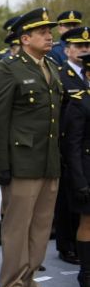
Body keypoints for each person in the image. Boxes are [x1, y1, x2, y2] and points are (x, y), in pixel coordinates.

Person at [0, 7, 63, 287]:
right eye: (43, 32)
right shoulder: (9, 68)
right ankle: (12, 285)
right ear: (25, 38)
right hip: (21, 162)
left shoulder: (50, 66)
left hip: (48, 161)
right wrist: (2, 165)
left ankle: (30, 281)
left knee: (42, 226)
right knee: (17, 227)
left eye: (50, 31)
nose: (49, 36)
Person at [54, 26, 90, 265]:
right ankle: (66, 244)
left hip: (83, 145)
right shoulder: (59, 73)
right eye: (79, 46)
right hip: (67, 144)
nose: (83, 49)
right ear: (67, 50)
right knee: (67, 201)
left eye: (87, 46)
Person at [63, 53, 90, 287]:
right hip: (87, 172)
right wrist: (80, 181)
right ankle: (87, 274)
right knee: (87, 222)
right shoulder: (80, 102)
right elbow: (72, 145)